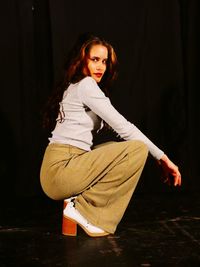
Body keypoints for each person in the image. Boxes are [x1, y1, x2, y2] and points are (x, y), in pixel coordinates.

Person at [40, 33, 181, 237]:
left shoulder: (79, 87)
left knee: (115, 149)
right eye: (95, 60)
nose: (101, 67)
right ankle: (82, 210)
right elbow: (126, 128)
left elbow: (120, 132)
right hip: (61, 169)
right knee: (136, 150)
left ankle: (77, 207)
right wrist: (163, 158)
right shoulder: (86, 85)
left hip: (64, 166)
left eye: (104, 61)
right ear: (82, 61)